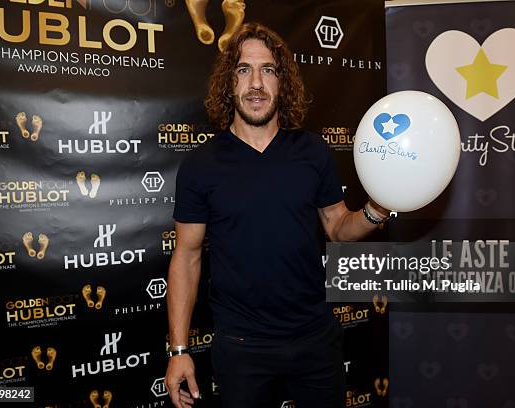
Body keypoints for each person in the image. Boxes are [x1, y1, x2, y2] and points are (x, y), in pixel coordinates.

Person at [164, 22, 390, 408]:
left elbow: (337, 227)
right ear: (229, 83)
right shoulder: (202, 165)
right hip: (241, 348)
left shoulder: (312, 151)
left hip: (315, 341)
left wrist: (377, 208)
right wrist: (178, 349)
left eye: (268, 70)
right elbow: (186, 255)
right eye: (243, 70)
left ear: (282, 82)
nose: (256, 83)